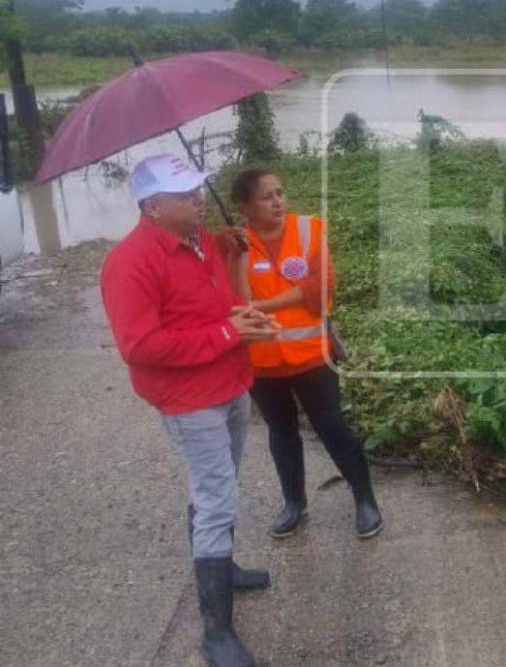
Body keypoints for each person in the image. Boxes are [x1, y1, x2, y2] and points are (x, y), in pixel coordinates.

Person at [100, 154, 278, 667]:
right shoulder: (130, 263)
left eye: (199, 190)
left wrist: (241, 313)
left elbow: (214, 306)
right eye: (185, 195)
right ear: (152, 207)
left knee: (219, 486)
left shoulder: (202, 242)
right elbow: (140, 346)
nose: (199, 200)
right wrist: (227, 331)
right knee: (217, 496)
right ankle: (216, 632)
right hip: (188, 399)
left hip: (230, 382)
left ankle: (224, 567)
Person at [228, 168, 383, 540]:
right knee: (281, 433)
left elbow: (320, 286)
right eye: (267, 196)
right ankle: (294, 503)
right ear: (245, 206)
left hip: (312, 354)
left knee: (332, 427)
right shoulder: (236, 243)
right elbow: (237, 301)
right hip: (263, 362)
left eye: (280, 192)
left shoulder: (308, 230)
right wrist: (235, 257)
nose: (278, 201)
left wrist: (264, 305)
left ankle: (365, 500)